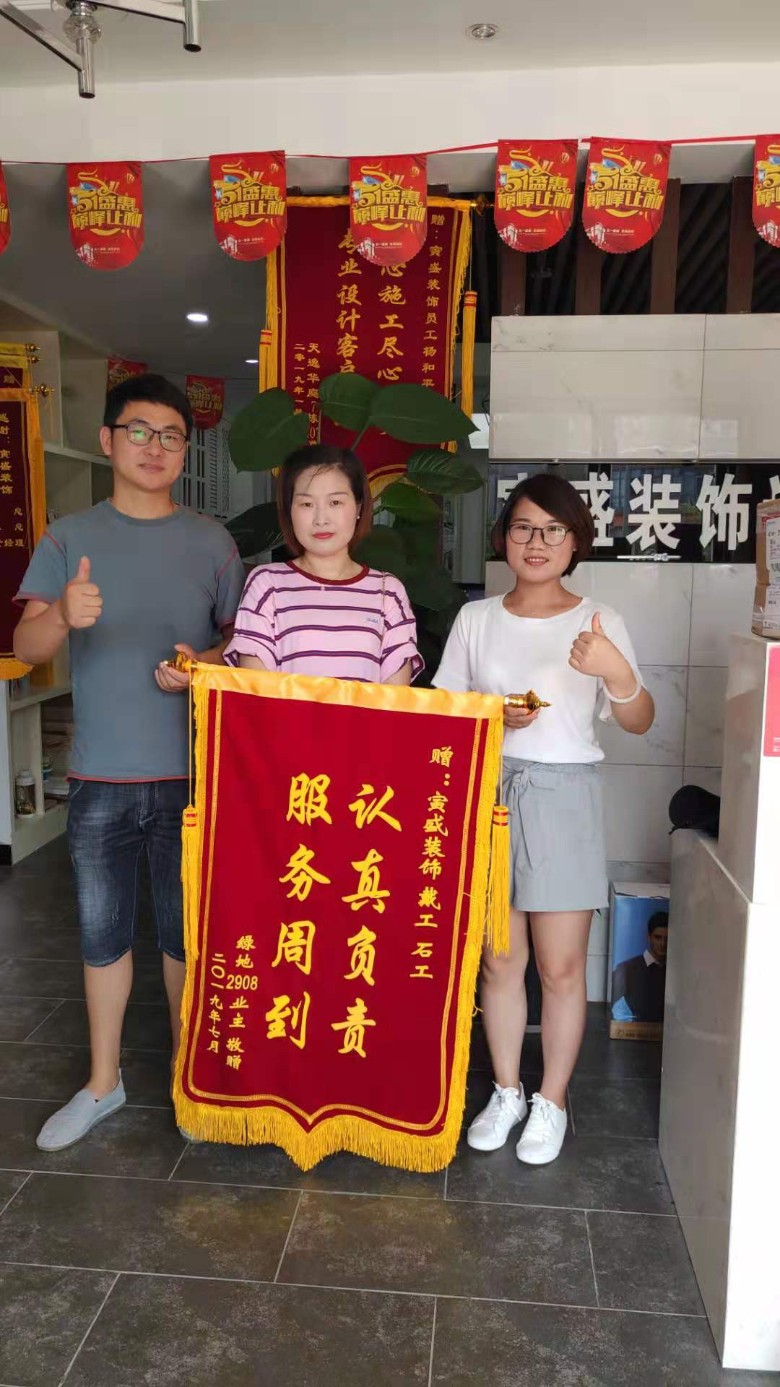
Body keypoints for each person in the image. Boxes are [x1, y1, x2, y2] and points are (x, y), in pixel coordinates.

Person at [13, 373, 245, 1152]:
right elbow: (25, 646)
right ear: (108, 440)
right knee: (102, 934)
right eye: (139, 431)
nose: (155, 447)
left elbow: (242, 645)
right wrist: (61, 613)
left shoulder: (212, 542)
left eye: (171, 436)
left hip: (190, 777)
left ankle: (188, 1077)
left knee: (185, 936)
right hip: (99, 777)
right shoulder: (68, 537)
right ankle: (102, 1081)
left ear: (185, 451)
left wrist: (203, 662)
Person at [433, 474, 655, 1166]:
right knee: (500, 960)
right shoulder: (476, 618)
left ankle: (551, 1099)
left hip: (563, 797)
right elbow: (444, 712)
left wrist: (617, 672)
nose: (537, 541)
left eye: (553, 529)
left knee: (560, 967)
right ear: (503, 537)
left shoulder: (598, 620)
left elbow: (639, 720)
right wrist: (492, 714)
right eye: (524, 527)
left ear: (575, 541)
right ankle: (506, 1090)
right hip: (489, 793)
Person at [223, 443, 421, 684]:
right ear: (289, 511)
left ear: (358, 507)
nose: (321, 519)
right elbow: (257, 691)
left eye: (335, 502)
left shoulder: (387, 592)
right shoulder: (266, 585)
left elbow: (395, 699)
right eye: (307, 504)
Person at [612, 911, 668, 1023]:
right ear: (648, 937)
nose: (663, 943)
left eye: (667, 938)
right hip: (637, 1030)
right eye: (658, 937)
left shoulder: (678, 971)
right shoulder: (627, 969)